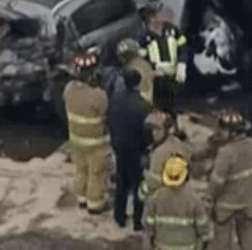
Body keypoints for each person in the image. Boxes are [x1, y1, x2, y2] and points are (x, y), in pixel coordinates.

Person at [209, 110, 252, 250]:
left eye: (223, 130)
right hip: (247, 205)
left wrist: (209, 201)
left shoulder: (226, 152)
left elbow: (216, 182)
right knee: (248, 246)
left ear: (232, 132)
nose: (220, 133)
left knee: (223, 246)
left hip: (225, 208)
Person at [63, 51, 109, 214]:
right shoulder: (98, 95)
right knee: (96, 174)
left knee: (81, 170)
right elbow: (104, 114)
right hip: (95, 143)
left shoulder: (69, 89)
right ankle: (95, 205)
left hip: (75, 139)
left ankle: (81, 198)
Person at [143, 155, 212, 250]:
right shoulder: (194, 200)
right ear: (186, 176)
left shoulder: (156, 198)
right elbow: (204, 232)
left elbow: (149, 230)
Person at [108, 68, 149, 231]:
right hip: (136, 150)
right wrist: (145, 149)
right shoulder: (142, 104)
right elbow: (145, 131)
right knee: (138, 186)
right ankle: (138, 222)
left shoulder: (115, 100)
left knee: (121, 183)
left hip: (119, 147)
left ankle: (119, 217)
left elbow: (110, 122)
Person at [140, 8, 187, 118]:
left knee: (176, 108)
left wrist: (182, 64)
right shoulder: (144, 37)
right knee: (160, 110)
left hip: (174, 76)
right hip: (157, 79)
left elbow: (183, 48)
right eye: (150, 17)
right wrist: (155, 66)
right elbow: (142, 57)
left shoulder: (172, 30)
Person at [143, 111, 191, 202]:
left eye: (158, 129)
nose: (154, 133)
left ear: (166, 130)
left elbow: (152, 184)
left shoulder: (160, 152)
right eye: (153, 130)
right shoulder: (181, 145)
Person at [115, 38, 154, 107]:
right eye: (124, 57)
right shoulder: (123, 74)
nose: (126, 60)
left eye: (129, 56)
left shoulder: (144, 67)